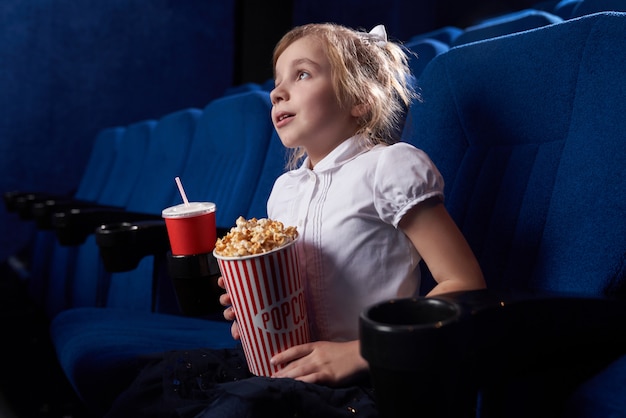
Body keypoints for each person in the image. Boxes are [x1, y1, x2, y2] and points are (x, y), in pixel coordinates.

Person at [106, 23, 485, 417]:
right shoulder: (284, 189)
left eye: (302, 74)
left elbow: (464, 281)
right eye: (277, 81)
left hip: (370, 375)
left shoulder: (390, 165)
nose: (276, 92)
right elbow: (292, 293)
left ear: (359, 99)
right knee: (153, 391)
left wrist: (361, 352)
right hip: (291, 366)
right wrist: (254, 311)